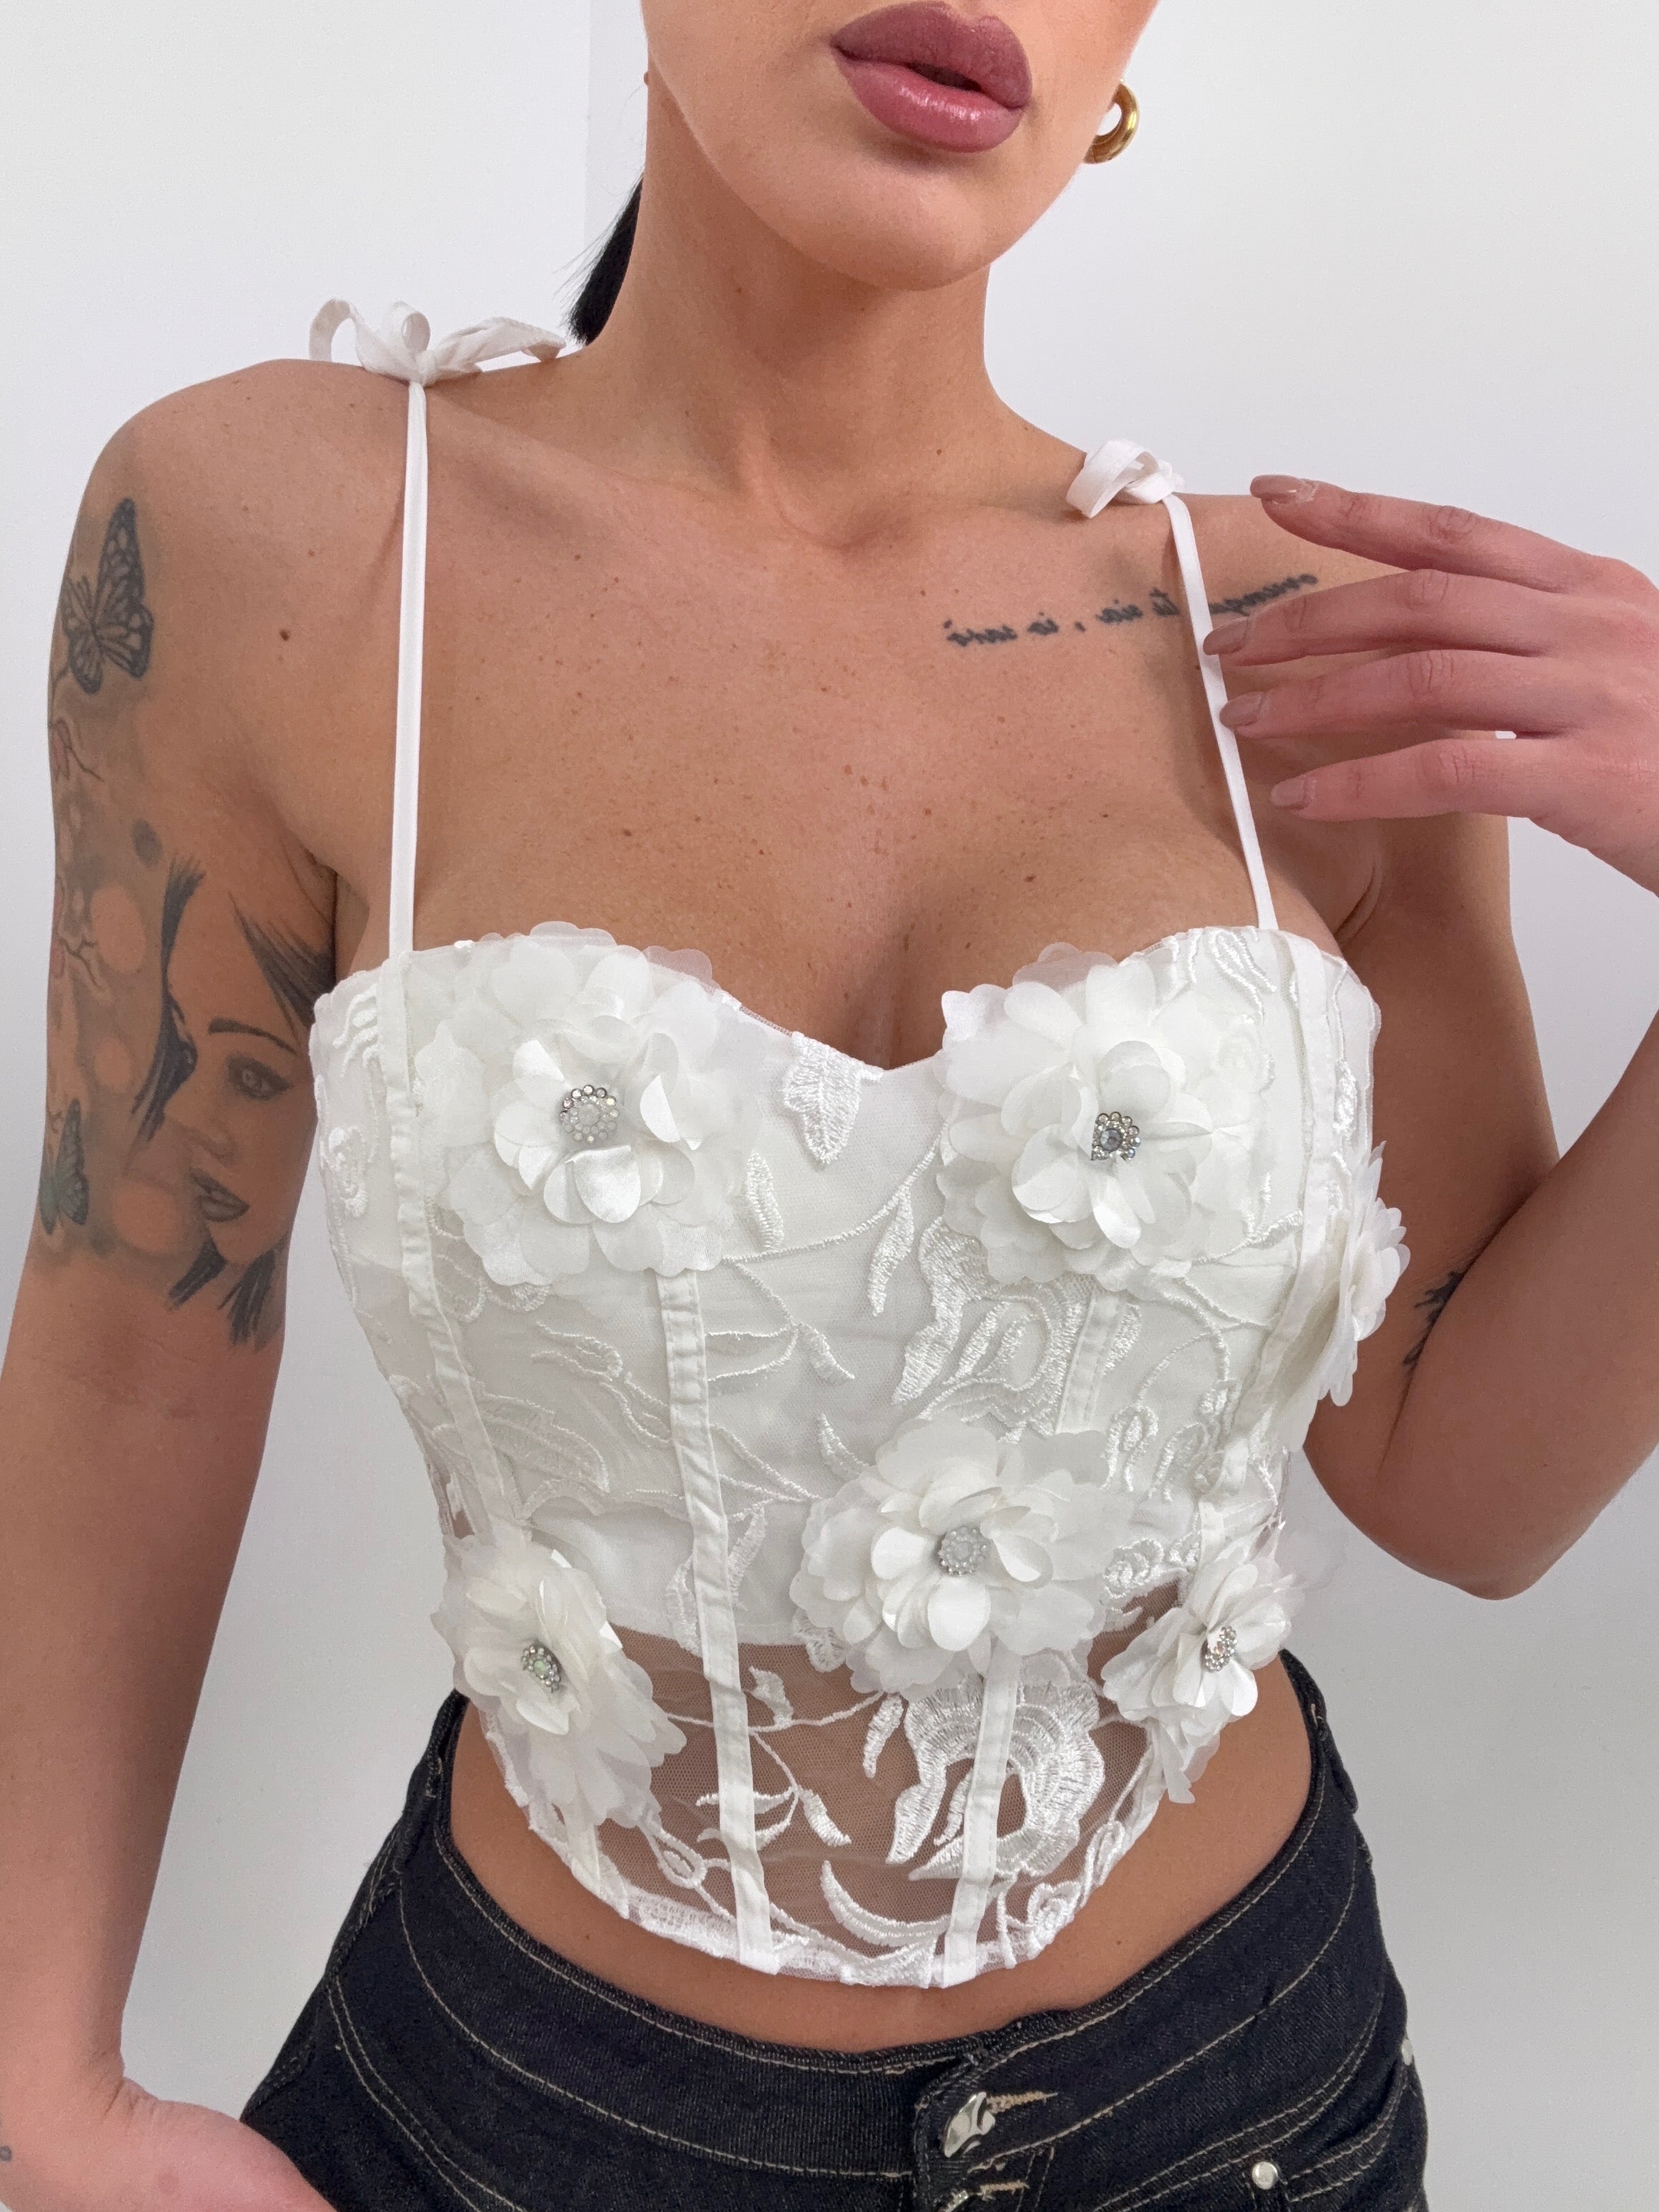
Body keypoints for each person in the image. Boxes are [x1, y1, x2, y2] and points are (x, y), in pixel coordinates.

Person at [2, 1, 1656, 2206]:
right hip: (529, 2121)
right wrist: (38, 2087)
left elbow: (1468, 1491)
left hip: (1237, 2101)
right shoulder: (285, 544)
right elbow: (133, 1336)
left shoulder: (1317, 643)